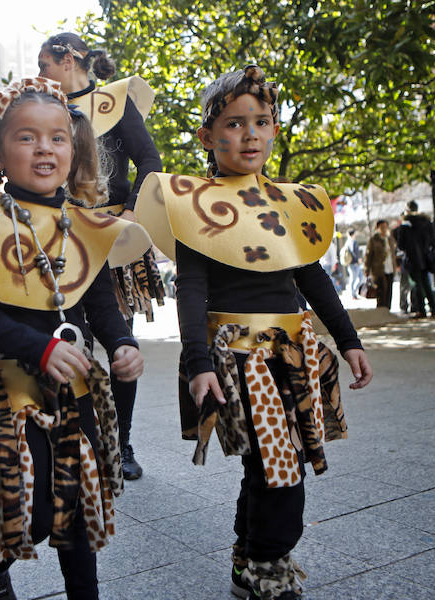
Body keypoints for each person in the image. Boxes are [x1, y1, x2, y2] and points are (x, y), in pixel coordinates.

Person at [136, 66, 372, 600]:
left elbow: (314, 277)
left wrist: (350, 340)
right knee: (279, 468)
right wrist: (198, 364)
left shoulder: (292, 204)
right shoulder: (196, 207)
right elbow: (191, 291)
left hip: (296, 352)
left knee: (272, 463)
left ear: (275, 130)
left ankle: (249, 555)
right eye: (235, 123)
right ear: (207, 137)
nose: (250, 134)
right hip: (238, 357)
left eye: (261, 122)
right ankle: (268, 562)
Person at [0, 77, 149, 600]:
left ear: (74, 150)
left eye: (58, 137)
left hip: (75, 388)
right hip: (11, 390)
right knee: (21, 504)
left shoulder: (86, 224)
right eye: (27, 137)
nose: (45, 148)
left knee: (76, 508)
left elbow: (98, 301)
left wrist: (123, 343)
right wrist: (40, 348)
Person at [38, 32, 164, 480]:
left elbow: (150, 160)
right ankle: (79, 435)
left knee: (119, 339)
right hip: (60, 237)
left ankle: (122, 442)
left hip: (113, 237)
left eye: (44, 63)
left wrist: (129, 214)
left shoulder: (116, 100)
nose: (40, 73)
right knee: (69, 333)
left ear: (68, 58)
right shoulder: (45, 106)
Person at [396, 201, 435, 318]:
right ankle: (433, 309)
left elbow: (401, 245)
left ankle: (421, 310)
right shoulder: (426, 222)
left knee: (417, 284)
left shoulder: (405, 225)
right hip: (425, 258)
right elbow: (434, 242)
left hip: (412, 259)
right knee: (426, 283)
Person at [363, 220, 397, 309]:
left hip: (390, 268)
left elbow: (394, 253)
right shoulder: (374, 240)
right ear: (377, 228)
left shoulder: (390, 239)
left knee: (389, 290)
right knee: (381, 291)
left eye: (386, 227)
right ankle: (381, 309)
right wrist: (367, 269)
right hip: (378, 269)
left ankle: (388, 309)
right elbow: (368, 255)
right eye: (382, 227)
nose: (384, 229)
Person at [340, 229, 362, 299]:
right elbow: (353, 252)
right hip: (354, 263)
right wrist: (358, 259)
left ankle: (354, 293)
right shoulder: (352, 242)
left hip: (352, 263)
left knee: (358, 278)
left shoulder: (348, 242)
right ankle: (353, 294)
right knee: (355, 279)